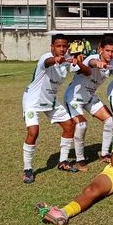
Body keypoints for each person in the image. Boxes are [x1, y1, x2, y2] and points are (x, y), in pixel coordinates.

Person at [21, 34, 76, 184]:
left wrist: (80, 60)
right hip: (32, 100)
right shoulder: (45, 58)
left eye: (64, 46)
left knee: (69, 125)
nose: (62, 49)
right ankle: (27, 169)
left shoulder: (67, 60)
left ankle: (63, 162)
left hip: (50, 100)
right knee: (33, 131)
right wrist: (55, 59)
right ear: (52, 47)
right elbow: (48, 61)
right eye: (58, 46)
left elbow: (82, 68)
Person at [64, 36, 113, 168]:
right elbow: (92, 62)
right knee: (81, 125)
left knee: (110, 120)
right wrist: (97, 64)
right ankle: (80, 159)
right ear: (100, 49)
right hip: (74, 97)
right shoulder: (91, 58)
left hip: (89, 96)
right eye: (107, 50)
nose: (110, 54)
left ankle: (105, 154)